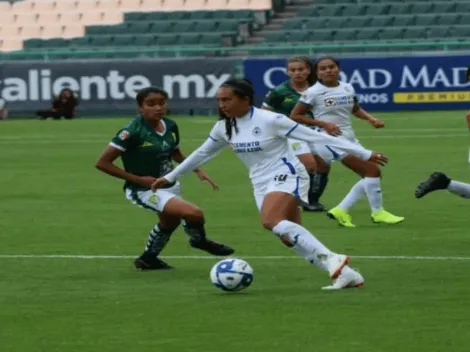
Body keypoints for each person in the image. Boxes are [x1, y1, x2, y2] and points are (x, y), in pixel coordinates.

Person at [151, 79, 389, 290]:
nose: (222, 104)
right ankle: (348, 275)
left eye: (227, 99)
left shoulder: (271, 119)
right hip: (260, 182)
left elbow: (317, 136)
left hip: (287, 173)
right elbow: (201, 154)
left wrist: (364, 153)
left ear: (245, 99)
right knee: (287, 236)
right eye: (219, 100)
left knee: (270, 221)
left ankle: (332, 258)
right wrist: (171, 177)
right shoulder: (223, 127)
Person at [95, 86, 234, 270]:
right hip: (145, 189)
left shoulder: (170, 125)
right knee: (193, 213)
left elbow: (173, 151)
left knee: (170, 221)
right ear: (140, 108)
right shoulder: (131, 132)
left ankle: (147, 259)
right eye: (151, 104)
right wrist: (138, 179)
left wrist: (196, 169)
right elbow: (102, 163)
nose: (158, 108)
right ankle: (199, 241)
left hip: (168, 184)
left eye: (162, 103)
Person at [290, 56, 404, 227]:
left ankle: (341, 210)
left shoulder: (347, 87)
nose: (328, 70)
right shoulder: (313, 92)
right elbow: (295, 115)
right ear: (317, 73)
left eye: (331, 67)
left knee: (372, 174)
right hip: (328, 140)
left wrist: (371, 119)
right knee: (372, 170)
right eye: (323, 68)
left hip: (348, 137)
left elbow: (355, 109)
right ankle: (377, 212)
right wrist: (323, 124)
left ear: (338, 69)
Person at [262, 56, 328, 212]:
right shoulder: (279, 91)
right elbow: (264, 113)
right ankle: (300, 200)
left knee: (323, 166)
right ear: (287, 72)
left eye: (301, 69)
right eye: (293, 70)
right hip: (291, 134)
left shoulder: (318, 88)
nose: (297, 73)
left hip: (314, 132)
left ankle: (313, 200)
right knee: (309, 164)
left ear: (308, 70)